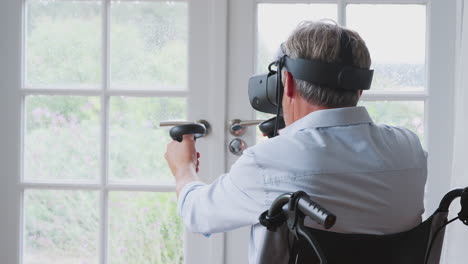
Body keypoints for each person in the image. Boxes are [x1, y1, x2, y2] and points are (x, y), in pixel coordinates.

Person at [165, 21, 427, 264]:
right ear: (359, 89)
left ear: (286, 82)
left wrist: (183, 168)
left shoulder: (267, 162)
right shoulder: (410, 148)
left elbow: (197, 213)